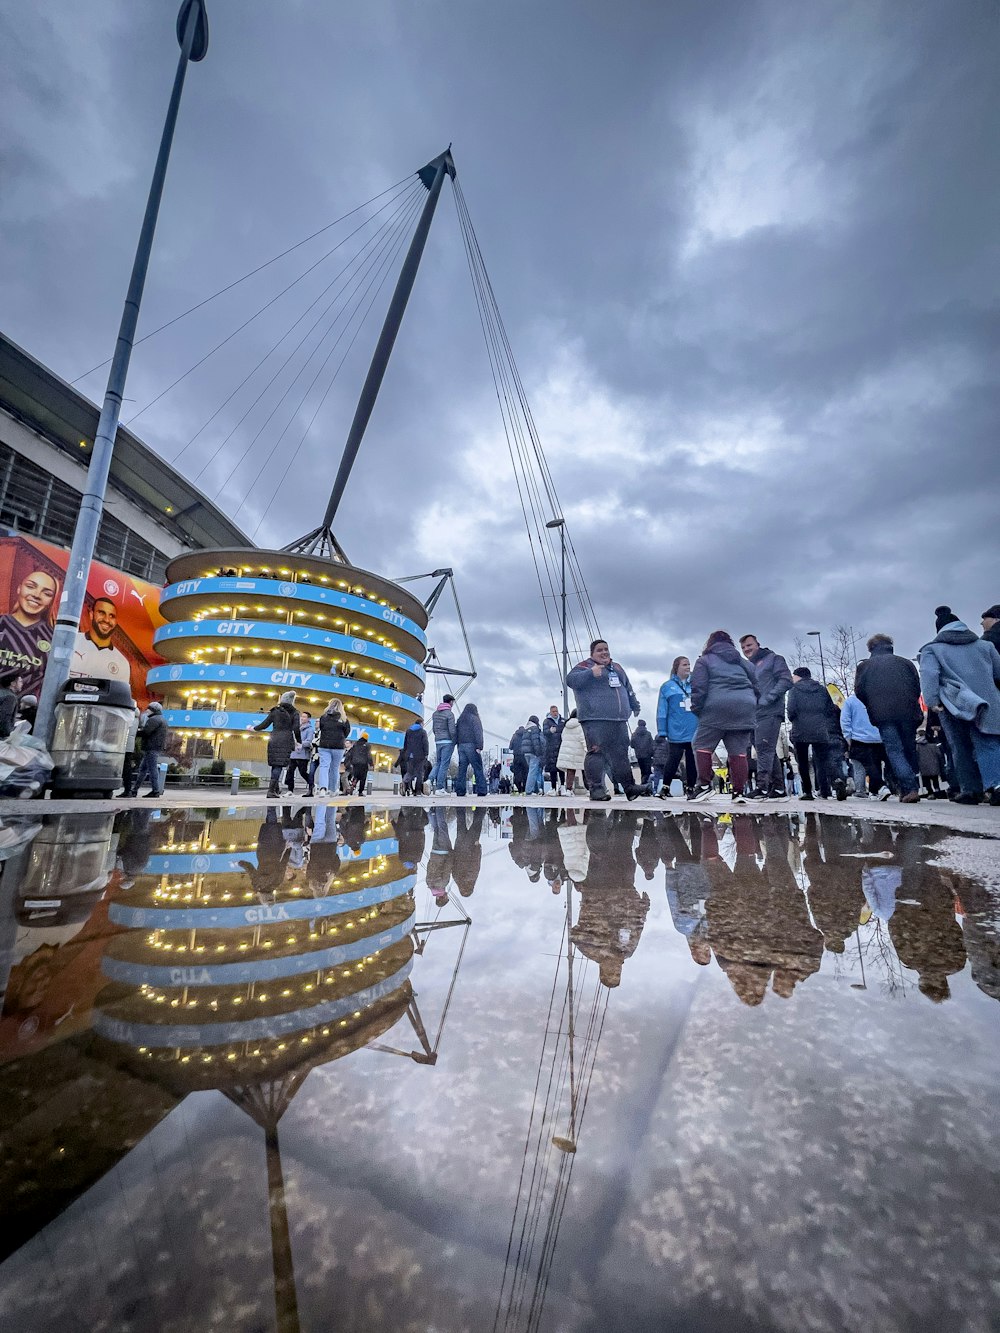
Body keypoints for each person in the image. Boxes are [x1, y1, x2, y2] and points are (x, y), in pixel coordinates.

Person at [919, 606, 1000, 806]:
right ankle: (997, 785)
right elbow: (998, 673)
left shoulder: (932, 649)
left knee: (960, 747)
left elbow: (929, 678)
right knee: (987, 742)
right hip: (986, 703)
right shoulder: (985, 646)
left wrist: (932, 702)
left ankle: (970, 790)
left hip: (953, 704)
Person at [566, 638, 647, 801]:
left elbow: (628, 687)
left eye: (606, 649)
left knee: (621, 755)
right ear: (592, 654)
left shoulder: (617, 668)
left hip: (618, 720)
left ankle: (629, 788)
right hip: (595, 719)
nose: (604, 652)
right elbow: (570, 680)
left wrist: (634, 705)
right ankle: (596, 789)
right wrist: (591, 674)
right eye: (600, 650)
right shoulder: (585, 667)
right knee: (597, 752)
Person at [688, 631, 759, 800]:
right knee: (739, 752)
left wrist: (698, 709)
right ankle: (739, 792)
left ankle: (704, 785)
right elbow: (757, 686)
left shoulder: (704, 661)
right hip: (744, 707)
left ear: (710, 644)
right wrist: (751, 704)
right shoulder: (743, 663)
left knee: (702, 745)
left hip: (716, 707)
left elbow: (699, 688)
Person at [855, 633, 922, 802]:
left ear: (871, 648)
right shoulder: (905, 662)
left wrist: (872, 704)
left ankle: (909, 787)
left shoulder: (865, 667)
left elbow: (859, 691)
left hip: (883, 714)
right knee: (908, 748)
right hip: (908, 712)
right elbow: (916, 686)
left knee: (894, 750)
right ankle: (909, 785)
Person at [739, 634, 793, 798]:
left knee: (764, 749)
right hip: (753, 714)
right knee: (766, 750)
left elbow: (786, 680)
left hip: (769, 712)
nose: (747, 649)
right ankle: (778, 788)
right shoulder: (748, 667)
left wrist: (768, 698)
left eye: (749, 645)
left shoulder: (774, 659)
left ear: (758, 644)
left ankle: (762, 787)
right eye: (743, 648)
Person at [0, 567, 59, 698]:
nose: (36, 595)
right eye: (31, 586)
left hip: (23, 716)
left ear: (51, 602)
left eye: (47, 593)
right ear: (19, 588)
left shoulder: (55, 639)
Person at [786, 667, 841, 800]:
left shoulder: (794, 690)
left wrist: (794, 719)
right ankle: (826, 788)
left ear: (798, 676)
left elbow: (791, 711)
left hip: (800, 730)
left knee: (803, 762)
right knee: (822, 760)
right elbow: (830, 709)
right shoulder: (822, 689)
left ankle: (808, 792)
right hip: (820, 729)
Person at [655, 655, 698, 797]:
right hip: (676, 729)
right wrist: (662, 730)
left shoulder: (696, 685)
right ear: (676, 667)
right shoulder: (667, 687)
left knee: (693, 761)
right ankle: (666, 787)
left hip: (694, 729)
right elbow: (662, 709)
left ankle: (691, 787)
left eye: (689, 664)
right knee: (673, 759)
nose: (688, 667)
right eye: (684, 665)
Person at [70, 597, 131, 685]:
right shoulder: (71, 641)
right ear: (91, 615)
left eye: (112, 616)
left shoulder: (122, 663)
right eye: (102, 613)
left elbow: (119, 697)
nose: (107, 620)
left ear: (116, 622)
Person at [840, 690, 888, 799]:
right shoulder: (876, 699)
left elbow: (845, 721)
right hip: (878, 737)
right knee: (876, 764)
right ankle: (874, 792)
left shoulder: (850, 701)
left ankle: (881, 787)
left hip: (859, 738)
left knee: (868, 765)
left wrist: (848, 738)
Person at [253, 690, 301, 799]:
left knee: (275, 764)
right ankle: (271, 791)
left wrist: (255, 728)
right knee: (278, 765)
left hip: (274, 738)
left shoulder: (275, 711)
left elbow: (265, 724)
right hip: (286, 740)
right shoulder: (295, 713)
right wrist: (299, 741)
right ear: (292, 701)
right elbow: (296, 729)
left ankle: (275, 789)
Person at [130, 701, 169, 798]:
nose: (147, 711)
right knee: (144, 769)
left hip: (151, 747)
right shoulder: (162, 719)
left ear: (153, 710)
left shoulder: (153, 720)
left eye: (149, 709)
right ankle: (135, 789)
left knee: (151, 769)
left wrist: (134, 733)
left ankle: (155, 790)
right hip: (155, 747)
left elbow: (146, 732)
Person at [314, 698, 351, 796]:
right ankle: (333, 790)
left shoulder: (324, 717)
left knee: (324, 766)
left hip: (324, 745)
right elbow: (347, 733)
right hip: (338, 746)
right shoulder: (344, 719)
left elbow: (321, 728)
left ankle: (322, 788)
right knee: (334, 768)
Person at [454, 701, 488, 797]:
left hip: (461, 746)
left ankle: (460, 791)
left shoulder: (460, 720)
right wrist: (479, 746)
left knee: (462, 770)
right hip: (472, 746)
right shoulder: (475, 719)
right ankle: (481, 790)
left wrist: (458, 744)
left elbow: (456, 733)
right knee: (477, 768)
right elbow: (478, 733)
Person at [430, 694, 457, 793]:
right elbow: (452, 731)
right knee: (444, 764)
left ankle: (429, 780)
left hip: (438, 741)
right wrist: (454, 741)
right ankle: (440, 788)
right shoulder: (449, 714)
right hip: (447, 741)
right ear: (450, 702)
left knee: (438, 763)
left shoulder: (435, 714)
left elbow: (433, 729)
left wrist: (438, 736)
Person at [284, 711, 314, 796]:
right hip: (293, 754)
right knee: (290, 772)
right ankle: (290, 790)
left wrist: (301, 744)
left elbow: (309, 742)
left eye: (304, 717)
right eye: (302, 716)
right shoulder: (296, 728)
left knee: (302, 772)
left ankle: (312, 785)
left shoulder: (310, 730)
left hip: (303, 755)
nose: (302, 718)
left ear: (308, 719)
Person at [556, 708, 586, 794]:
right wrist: (587, 749)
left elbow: (563, 736)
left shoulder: (566, 725)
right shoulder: (580, 725)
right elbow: (582, 738)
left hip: (568, 750)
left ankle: (568, 790)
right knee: (585, 770)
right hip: (579, 751)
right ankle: (589, 789)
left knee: (570, 771)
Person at [399, 719, 429, 795]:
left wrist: (406, 753)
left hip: (410, 755)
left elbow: (405, 743)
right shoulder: (422, 732)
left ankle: (404, 783)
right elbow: (425, 743)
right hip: (420, 755)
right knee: (419, 773)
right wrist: (426, 753)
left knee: (410, 772)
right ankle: (418, 791)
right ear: (421, 723)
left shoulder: (408, 731)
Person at [542, 705, 565, 793]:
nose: (555, 713)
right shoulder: (547, 721)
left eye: (556, 711)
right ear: (550, 712)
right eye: (553, 711)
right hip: (551, 748)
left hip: (560, 746)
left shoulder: (562, 721)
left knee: (561, 768)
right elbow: (545, 732)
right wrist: (550, 731)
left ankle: (562, 786)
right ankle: (553, 787)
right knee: (553, 769)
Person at [522, 715, 546, 795]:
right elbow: (535, 741)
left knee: (532, 771)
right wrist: (538, 752)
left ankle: (535, 789)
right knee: (533, 772)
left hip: (526, 753)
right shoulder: (534, 728)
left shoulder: (526, 728)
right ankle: (529, 790)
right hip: (533, 752)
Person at [630, 718, 654, 785]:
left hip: (639, 755)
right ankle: (646, 785)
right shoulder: (648, 734)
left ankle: (643, 784)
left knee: (643, 771)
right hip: (647, 755)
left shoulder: (634, 734)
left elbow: (632, 745)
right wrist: (652, 753)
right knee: (648, 772)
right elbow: (652, 744)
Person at [0, 672, 19, 739]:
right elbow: (5, 717)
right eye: (20, 681)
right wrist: (9, 734)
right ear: (13, 683)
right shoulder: (10, 697)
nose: (22, 684)